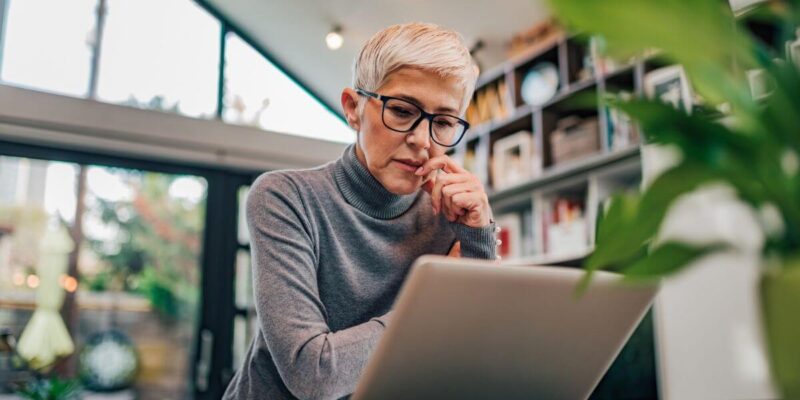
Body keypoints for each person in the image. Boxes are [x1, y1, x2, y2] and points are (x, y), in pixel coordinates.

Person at [223, 22, 499, 400]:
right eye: (402, 111)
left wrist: (480, 236)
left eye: (444, 122)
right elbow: (314, 375)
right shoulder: (285, 197)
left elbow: (473, 356)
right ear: (354, 109)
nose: (421, 140)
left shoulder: (451, 215)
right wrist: (433, 307)